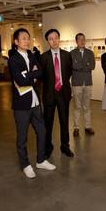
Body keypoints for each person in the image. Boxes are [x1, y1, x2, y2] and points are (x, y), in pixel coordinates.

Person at [8, 28, 56, 179]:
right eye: (23, 38)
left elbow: (40, 72)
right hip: (21, 104)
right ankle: (25, 165)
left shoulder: (32, 55)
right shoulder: (13, 59)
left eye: (28, 38)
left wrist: (29, 75)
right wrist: (32, 76)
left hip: (35, 101)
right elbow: (20, 80)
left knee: (42, 131)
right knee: (22, 137)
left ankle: (41, 160)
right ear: (16, 42)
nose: (27, 41)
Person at [40, 29, 74, 158]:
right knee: (48, 123)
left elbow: (69, 72)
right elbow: (42, 76)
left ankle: (65, 146)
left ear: (59, 39)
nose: (54, 41)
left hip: (63, 93)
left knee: (64, 121)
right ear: (48, 41)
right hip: (49, 94)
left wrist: (61, 83)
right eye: (51, 39)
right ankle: (48, 147)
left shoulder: (67, 55)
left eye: (56, 38)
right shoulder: (43, 57)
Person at [71, 33, 96, 137]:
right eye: (79, 39)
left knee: (87, 106)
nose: (82, 41)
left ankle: (88, 126)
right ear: (76, 41)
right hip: (77, 83)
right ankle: (76, 127)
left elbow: (92, 66)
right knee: (77, 106)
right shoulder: (71, 53)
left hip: (88, 82)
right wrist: (85, 65)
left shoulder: (90, 53)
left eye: (83, 39)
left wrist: (79, 66)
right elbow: (73, 66)